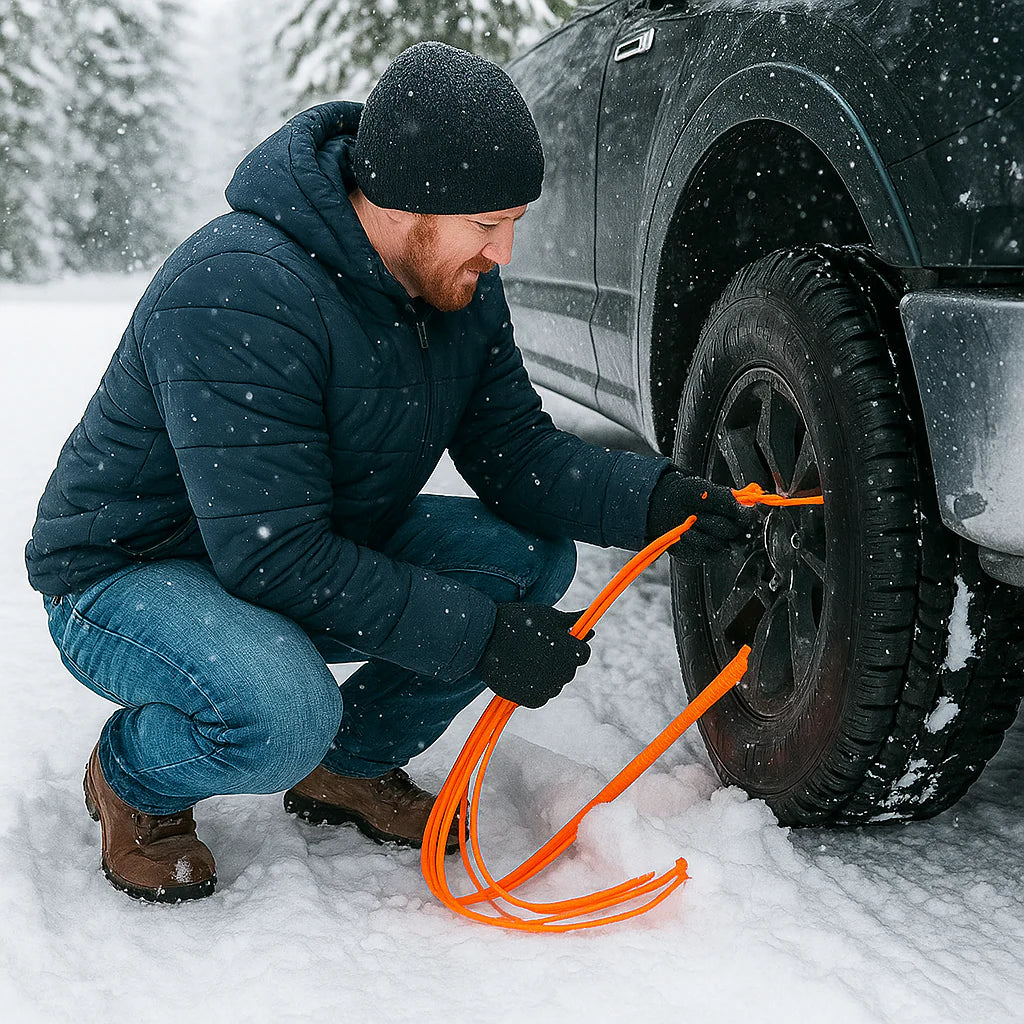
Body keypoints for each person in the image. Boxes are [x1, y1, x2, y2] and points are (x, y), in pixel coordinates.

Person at [26, 42, 750, 903]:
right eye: (488, 226)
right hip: (130, 573)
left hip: (292, 541)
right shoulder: (237, 289)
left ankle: (349, 766)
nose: (504, 253)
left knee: (526, 562)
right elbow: (277, 560)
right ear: (410, 207)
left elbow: (517, 456)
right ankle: (132, 781)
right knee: (283, 713)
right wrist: (480, 638)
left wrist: (658, 500)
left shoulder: (457, 291)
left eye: (513, 222)